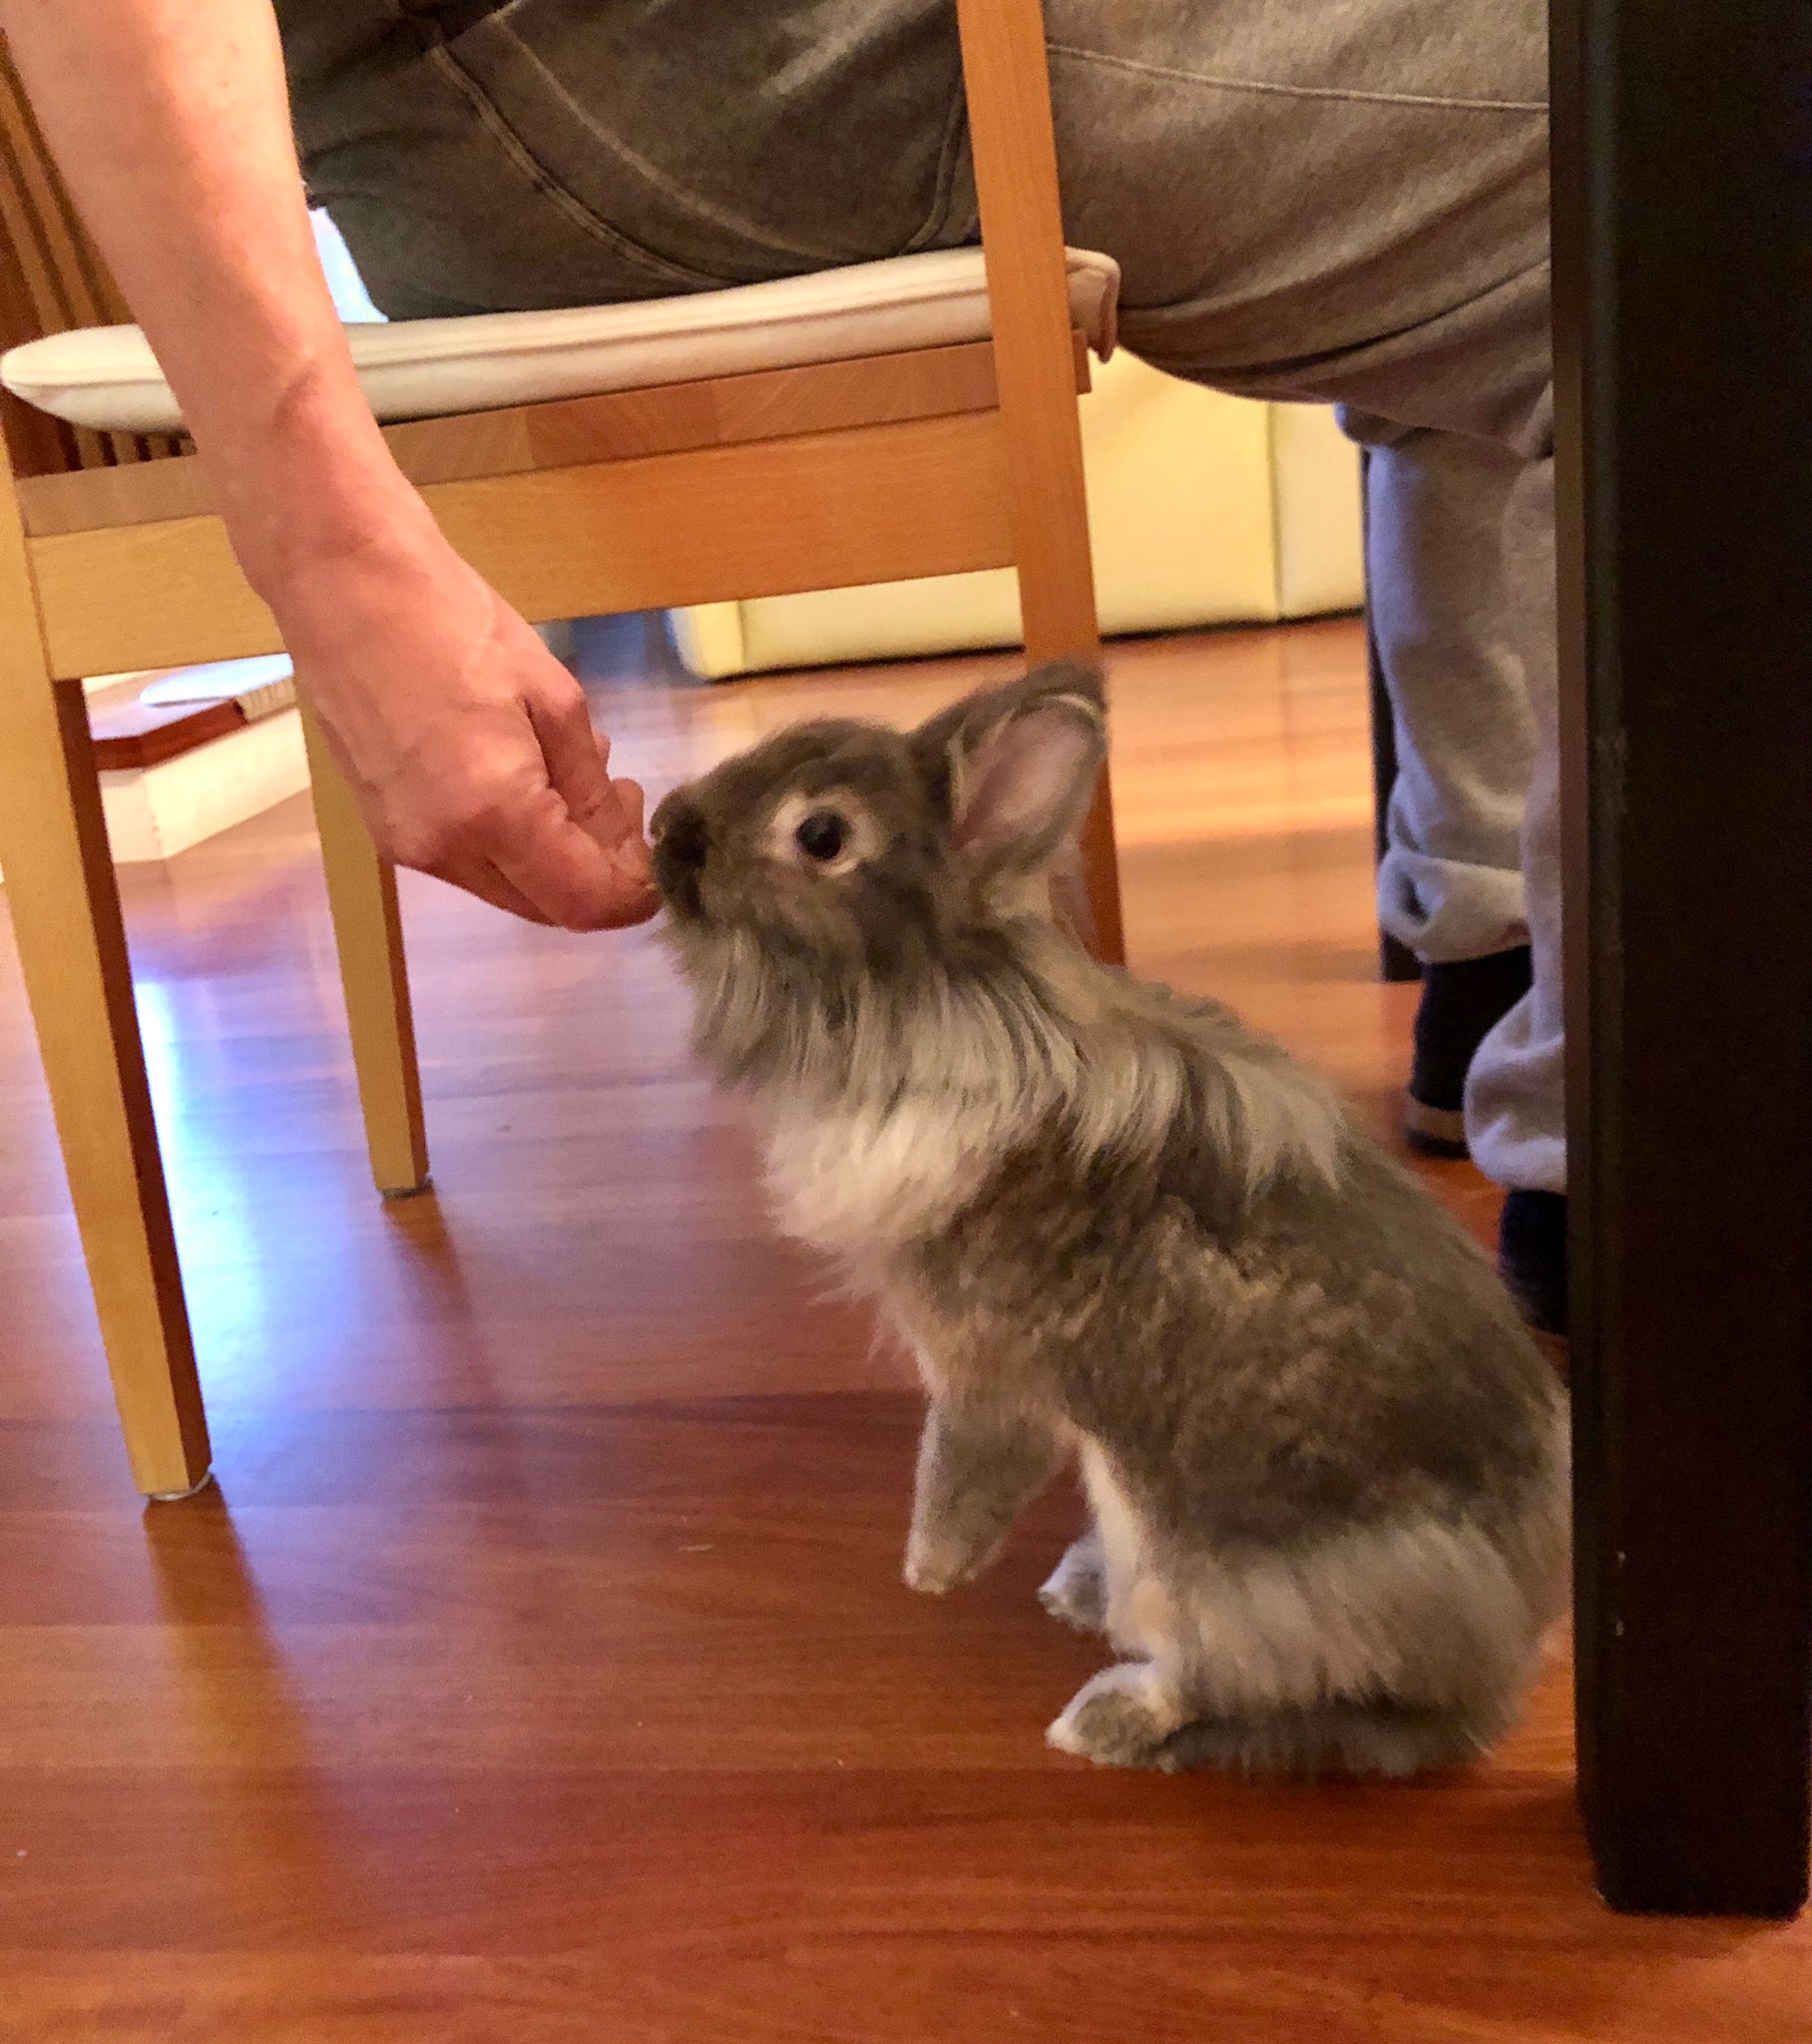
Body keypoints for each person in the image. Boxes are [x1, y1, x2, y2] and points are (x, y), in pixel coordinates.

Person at [0, 0, 1568, 1331]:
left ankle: (1498, 953)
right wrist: (332, 563)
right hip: (631, 63)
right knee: (1641, 145)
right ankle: (1604, 1133)